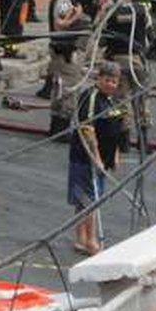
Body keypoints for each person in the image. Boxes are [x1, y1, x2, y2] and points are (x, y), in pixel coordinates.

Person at [69, 62, 128, 255]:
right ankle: (90, 240)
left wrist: (115, 156)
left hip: (105, 157)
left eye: (114, 81)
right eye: (107, 80)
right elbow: (88, 128)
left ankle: (82, 238)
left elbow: (117, 131)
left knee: (89, 199)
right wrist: (96, 157)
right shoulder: (91, 97)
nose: (111, 84)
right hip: (86, 157)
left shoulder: (111, 100)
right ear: (99, 78)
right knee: (88, 200)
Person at [45, 0, 102, 123]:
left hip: (69, 50)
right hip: (65, 52)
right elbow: (59, 25)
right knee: (67, 89)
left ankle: (60, 122)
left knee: (66, 88)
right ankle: (60, 126)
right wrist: (77, 17)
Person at [101, 0, 155, 128]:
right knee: (142, 98)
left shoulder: (109, 11)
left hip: (116, 61)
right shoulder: (142, 10)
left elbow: (100, 36)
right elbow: (151, 34)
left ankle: (123, 136)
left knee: (120, 98)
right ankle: (143, 137)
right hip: (138, 60)